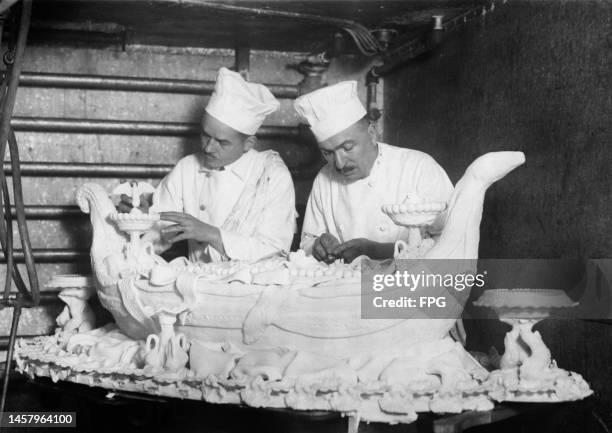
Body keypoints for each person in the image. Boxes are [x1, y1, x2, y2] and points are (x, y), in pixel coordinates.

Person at [139, 67, 296, 263]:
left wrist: (211, 233)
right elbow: (158, 229)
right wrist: (132, 258)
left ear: (248, 144)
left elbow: (275, 250)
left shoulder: (271, 175)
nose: (208, 148)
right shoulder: (187, 168)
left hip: (255, 287)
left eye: (222, 142)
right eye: (205, 135)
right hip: (198, 284)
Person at [294, 81, 453, 263]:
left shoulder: (418, 167)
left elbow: (452, 241)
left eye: (347, 147)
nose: (339, 163)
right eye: (327, 153)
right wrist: (318, 246)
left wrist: (377, 251)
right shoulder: (324, 179)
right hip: (346, 284)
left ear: (372, 133)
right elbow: (307, 242)